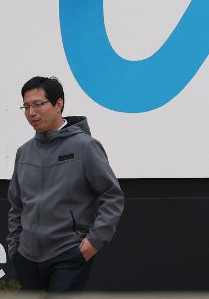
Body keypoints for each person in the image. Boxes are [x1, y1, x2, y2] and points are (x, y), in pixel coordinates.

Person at [7, 76, 124, 292]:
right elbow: (16, 205)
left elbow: (112, 196)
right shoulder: (23, 153)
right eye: (26, 106)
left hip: (67, 254)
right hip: (27, 258)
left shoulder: (84, 147)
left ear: (58, 104)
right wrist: (15, 249)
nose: (31, 112)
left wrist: (94, 241)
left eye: (38, 104)